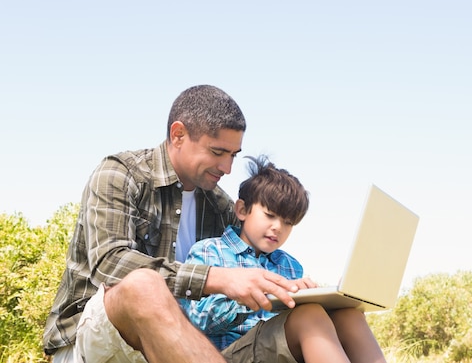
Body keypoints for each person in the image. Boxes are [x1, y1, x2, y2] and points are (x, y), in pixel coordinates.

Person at [43, 85, 301, 363]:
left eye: (233, 156)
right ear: (178, 135)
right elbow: (109, 264)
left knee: (312, 317)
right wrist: (217, 278)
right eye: (217, 152)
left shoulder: (222, 208)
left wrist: (292, 291)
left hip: (190, 345)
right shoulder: (121, 174)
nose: (227, 168)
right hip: (99, 338)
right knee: (144, 284)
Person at [180, 155, 387, 363]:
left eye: (288, 223)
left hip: (277, 351)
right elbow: (196, 320)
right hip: (226, 355)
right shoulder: (210, 250)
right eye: (269, 215)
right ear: (242, 210)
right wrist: (260, 293)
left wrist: (327, 299)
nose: (278, 227)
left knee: (348, 315)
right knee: (309, 316)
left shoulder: (289, 265)